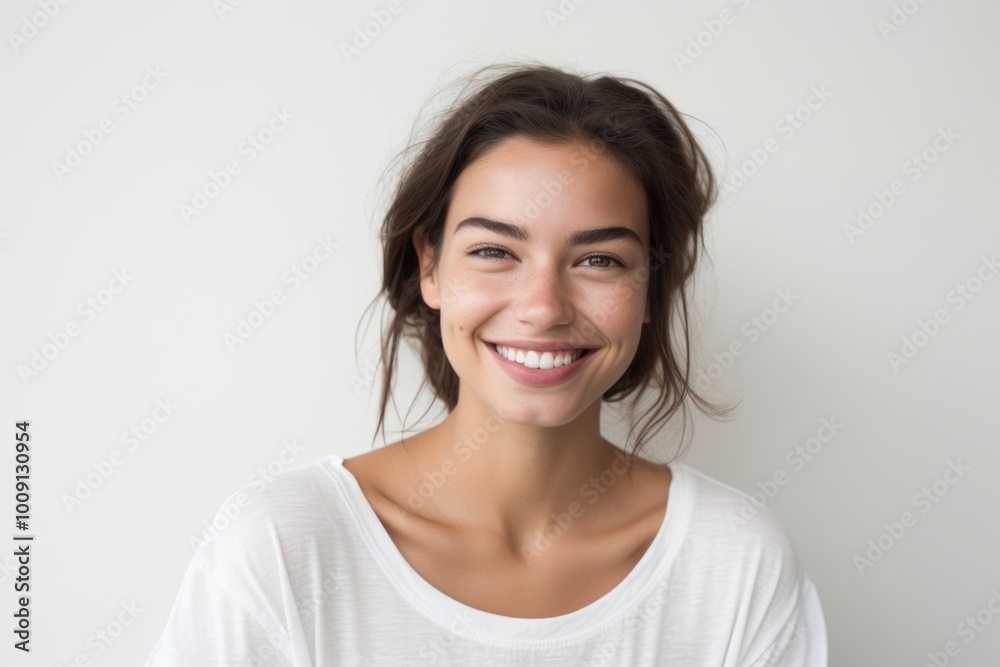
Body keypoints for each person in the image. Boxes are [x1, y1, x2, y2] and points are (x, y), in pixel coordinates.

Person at [146, 62, 827, 665]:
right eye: (495, 250)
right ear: (430, 266)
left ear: (651, 286)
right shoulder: (280, 548)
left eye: (599, 260)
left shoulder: (735, 564)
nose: (542, 307)